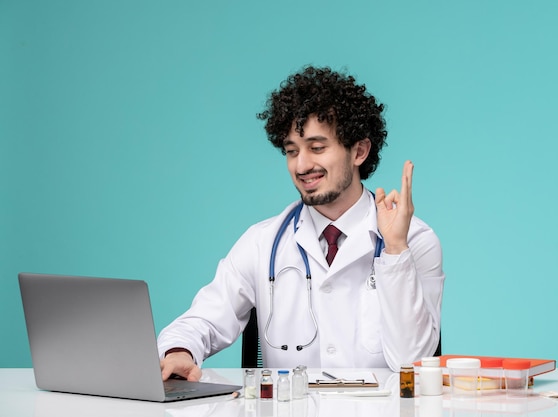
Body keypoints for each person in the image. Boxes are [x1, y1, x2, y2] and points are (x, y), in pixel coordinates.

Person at [158, 66, 444, 381]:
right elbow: (205, 319)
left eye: (317, 148)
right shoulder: (263, 242)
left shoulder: (415, 240)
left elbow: (413, 364)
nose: (302, 165)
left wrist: (395, 250)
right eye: (291, 151)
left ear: (359, 151)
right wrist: (179, 352)